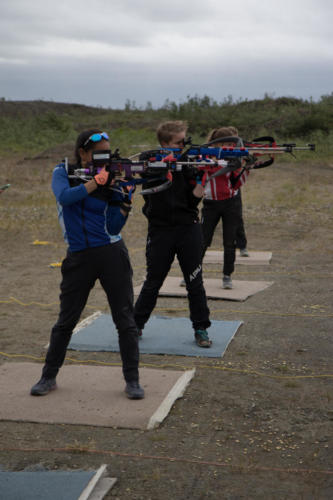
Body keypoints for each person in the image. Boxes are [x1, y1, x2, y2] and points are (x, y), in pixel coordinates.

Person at [30, 129, 144, 399]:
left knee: (125, 320)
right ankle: (48, 377)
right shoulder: (63, 172)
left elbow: (114, 225)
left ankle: (133, 380)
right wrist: (96, 182)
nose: (104, 159)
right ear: (82, 153)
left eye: (107, 153)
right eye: (98, 154)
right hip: (79, 256)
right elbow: (65, 198)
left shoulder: (111, 178)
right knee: (65, 321)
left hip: (111, 253)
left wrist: (125, 200)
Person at [134, 120, 212, 347]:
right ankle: (135, 325)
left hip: (188, 228)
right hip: (160, 231)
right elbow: (150, 186)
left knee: (194, 282)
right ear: (165, 143)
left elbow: (193, 199)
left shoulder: (187, 163)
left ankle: (201, 328)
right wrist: (169, 163)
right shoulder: (147, 161)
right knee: (153, 282)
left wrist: (204, 176)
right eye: (179, 142)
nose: (184, 146)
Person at [201, 126, 250, 289]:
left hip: (231, 203)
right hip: (210, 203)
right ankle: (193, 272)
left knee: (230, 242)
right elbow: (201, 170)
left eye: (232, 144)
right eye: (227, 144)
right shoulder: (205, 156)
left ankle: (227, 275)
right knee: (202, 240)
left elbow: (237, 184)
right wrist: (213, 162)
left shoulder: (233, 159)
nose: (230, 148)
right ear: (216, 144)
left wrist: (246, 167)